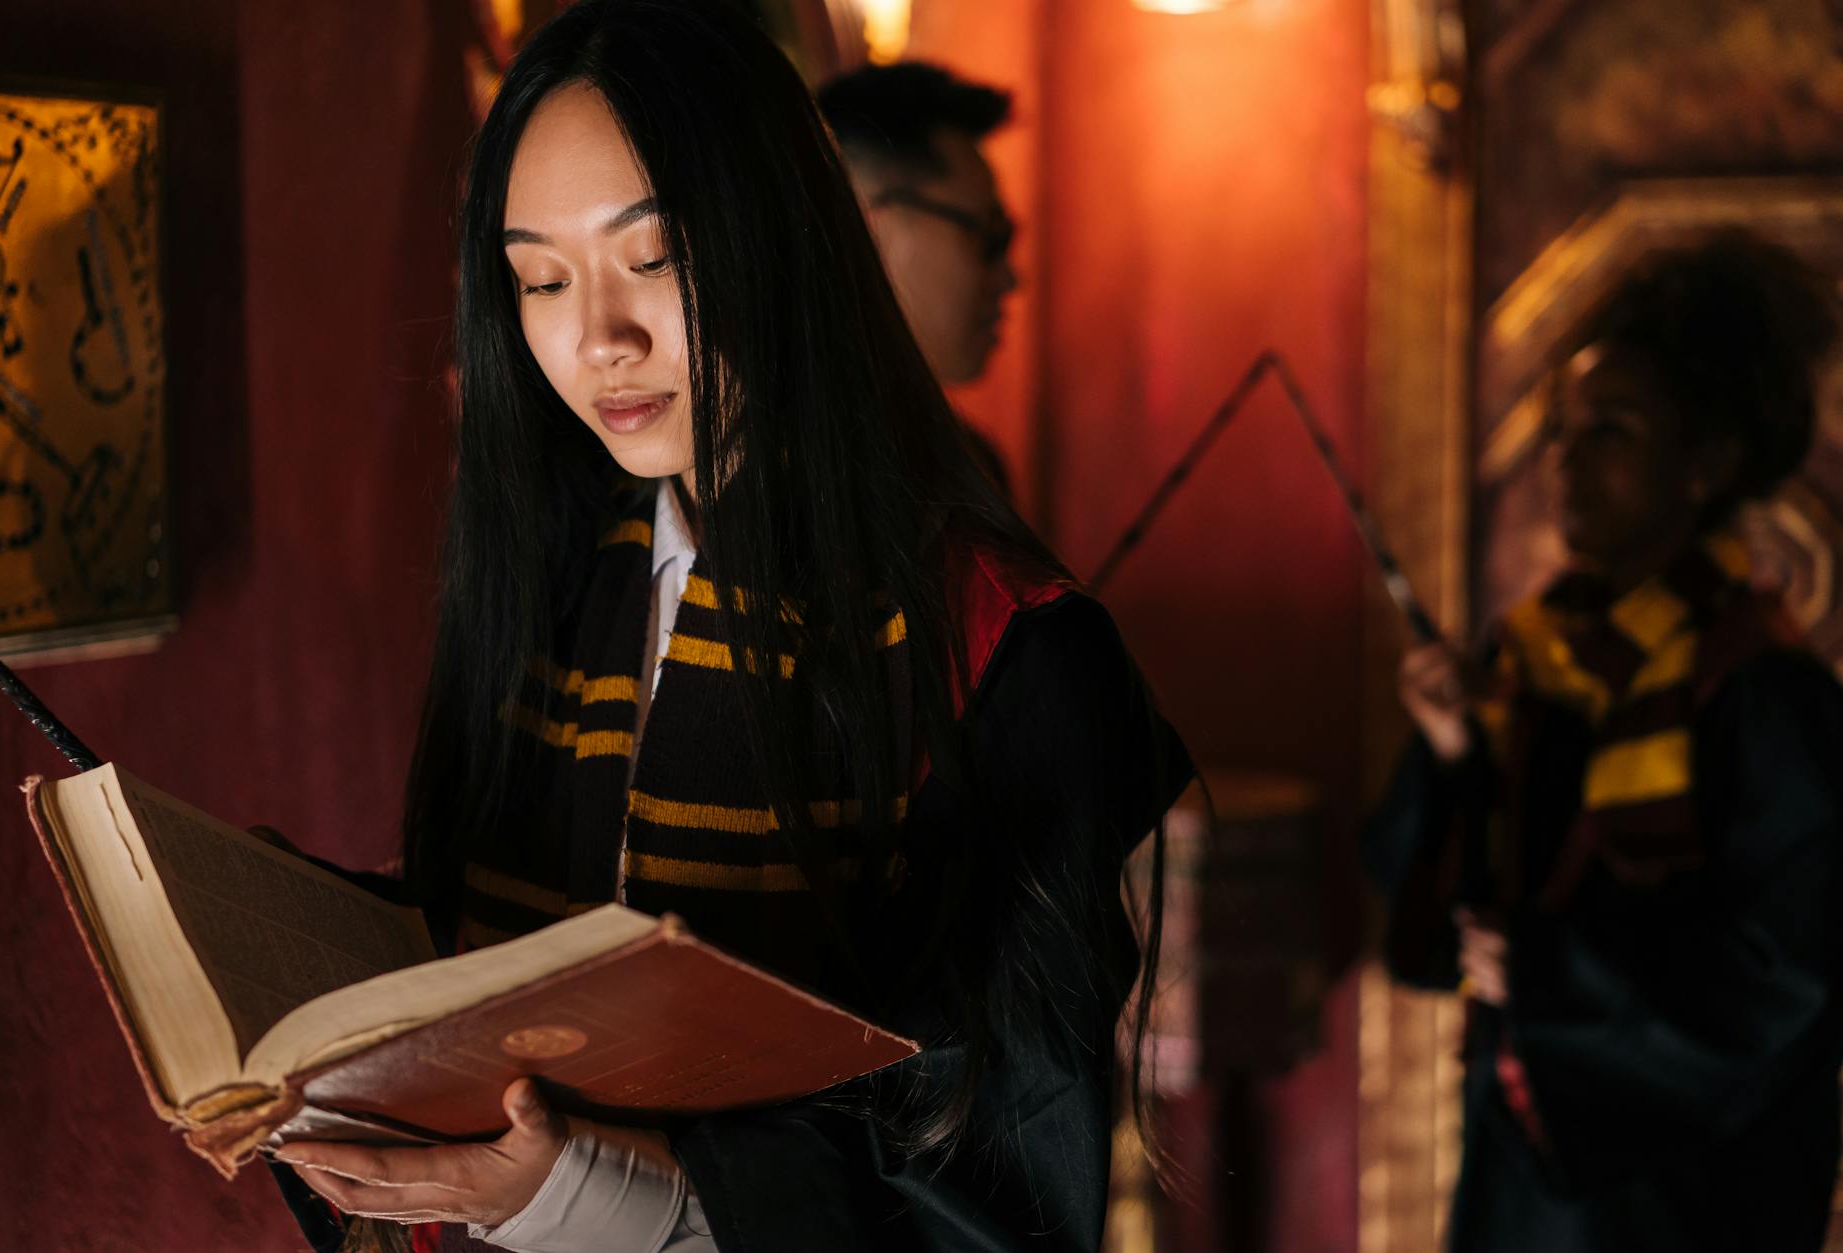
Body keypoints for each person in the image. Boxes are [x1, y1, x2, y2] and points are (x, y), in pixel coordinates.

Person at [267, 3, 1192, 1251]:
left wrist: (577, 1188)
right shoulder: (548, 594)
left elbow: (994, 1188)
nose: (599, 337)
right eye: (541, 277)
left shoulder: (1001, 649)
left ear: (787, 241)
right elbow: (493, 956)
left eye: (653, 262)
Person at [1364, 232, 1843, 1251]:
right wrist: (1452, 754)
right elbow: (1419, 943)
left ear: (1702, 462)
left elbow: (1788, 984)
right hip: (1521, 1194)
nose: (1565, 460)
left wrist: (1551, 973)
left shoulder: (1762, 692)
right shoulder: (1527, 670)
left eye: (1611, 428)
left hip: (1690, 1201)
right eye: (1561, 427)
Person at [817, 60, 1018, 489]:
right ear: (868, 232)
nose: (1009, 279)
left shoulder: (965, 463)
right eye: (988, 238)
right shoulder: (768, 467)